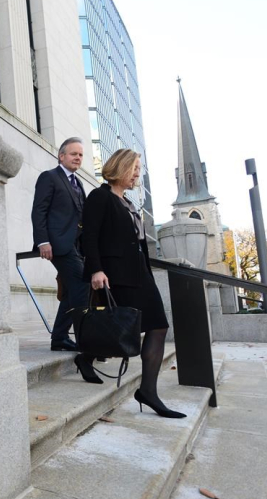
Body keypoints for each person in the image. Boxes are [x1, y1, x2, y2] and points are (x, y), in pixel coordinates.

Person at [81, 148, 186, 418]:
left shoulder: (128, 202)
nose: (137, 174)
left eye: (139, 169)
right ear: (120, 167)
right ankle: (87, 356)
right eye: (134, 168)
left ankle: (147, 390)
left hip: (139, 274)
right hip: (114, 275)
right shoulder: (100, 197)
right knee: (119, 327)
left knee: (158, 326)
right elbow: (89, 237)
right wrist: (96, 270)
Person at [31, 138, 97, 381]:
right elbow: (39, 209)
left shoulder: (78, 182)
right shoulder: (49, 177)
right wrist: (42, 241)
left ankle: (59, 337)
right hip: (58, 244)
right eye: (73, 154)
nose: (78, 158)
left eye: (80, 155)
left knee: (72, 291)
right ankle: (83, 339)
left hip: (76, 246)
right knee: (81, 284)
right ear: (61, 156)